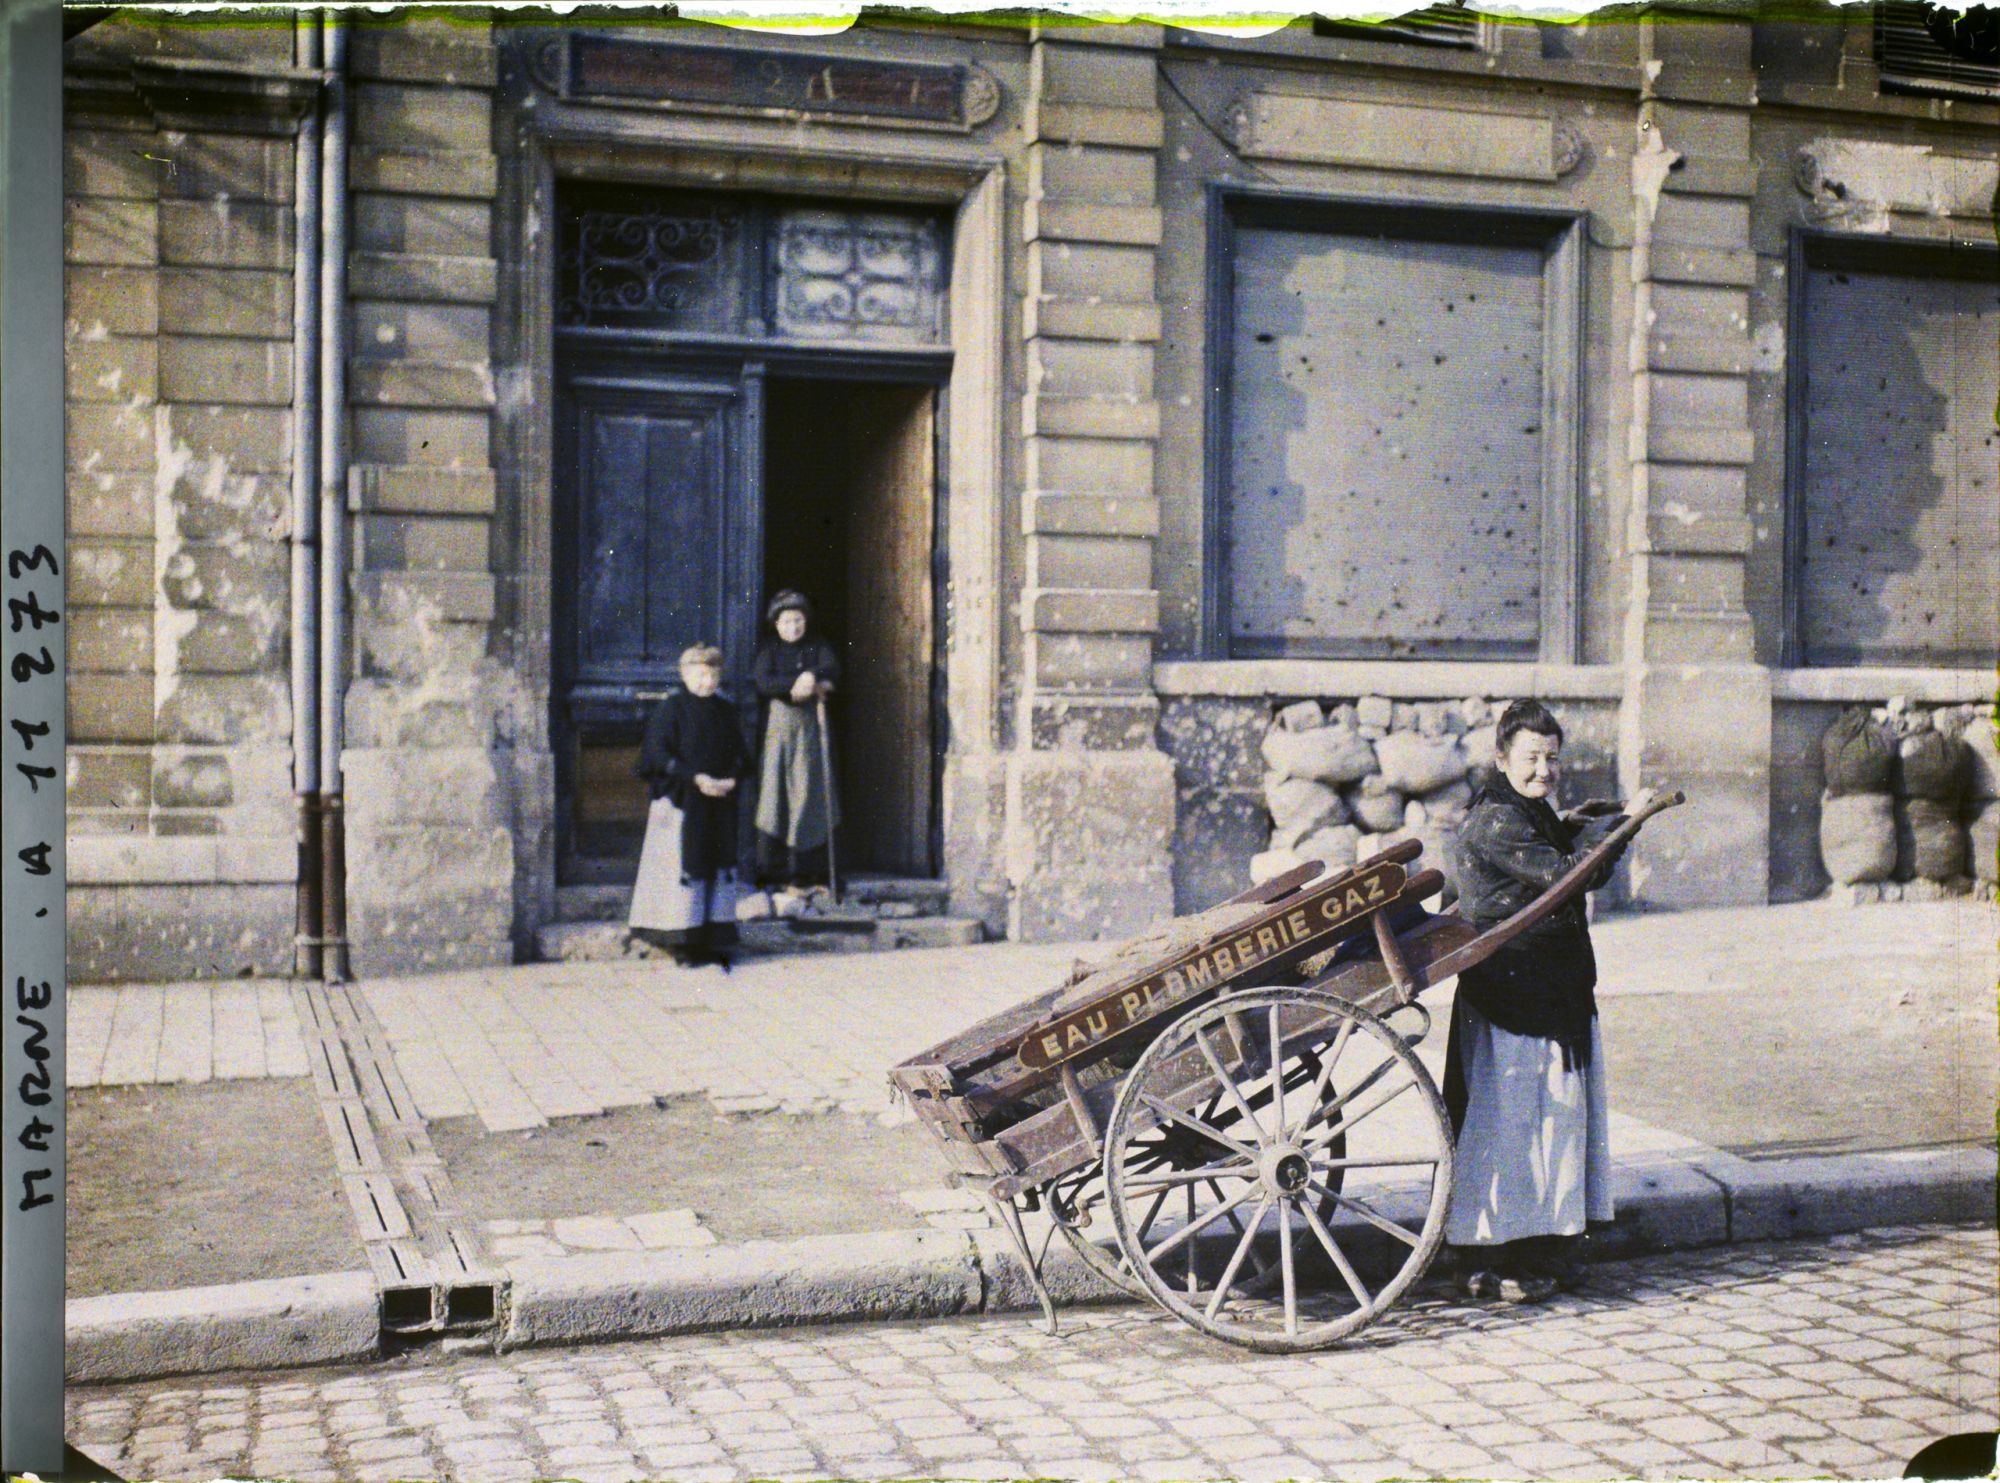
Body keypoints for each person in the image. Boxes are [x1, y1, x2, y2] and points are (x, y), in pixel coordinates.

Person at [1443, 698, 1656, 1302]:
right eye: (1532, 758)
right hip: (1517, 994)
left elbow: (1568, 852)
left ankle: (1529, 1251)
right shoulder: (1498, 821)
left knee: (1544, 1128)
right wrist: (1626, 824)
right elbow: (1568, 874)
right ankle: (1496, 1258)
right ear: (1502, 757)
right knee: (1516, 1129)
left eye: (1553, 758)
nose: (1544, 770)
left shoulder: (1526, 812)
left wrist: (1603, 825)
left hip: (1543, 989)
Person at [629, 645, 748, 970]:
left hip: (719, 803)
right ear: (685, 675)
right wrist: (695, 778)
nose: (706, 681)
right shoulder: (671, 709)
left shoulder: (726, 711)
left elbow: (741, 754)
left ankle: (714, 939)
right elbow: (656, 754)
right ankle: (682, 940)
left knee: (717, 868)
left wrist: (731, 780)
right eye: (699, 674)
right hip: (682, 803)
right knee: (683, 867)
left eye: (712, 674)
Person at [751, 590, 840, 895]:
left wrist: (812, 675)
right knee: (776, 796)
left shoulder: (818, 646)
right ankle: (773, 874)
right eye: (787, 621)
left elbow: (832, 668)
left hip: (810, 730)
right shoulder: (769, 650)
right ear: (776, 624)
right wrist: (797, 683)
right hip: (780, 729)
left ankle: (808, 873)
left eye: (798, 620)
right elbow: (764, 682)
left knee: (810, 793)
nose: (793, 627)